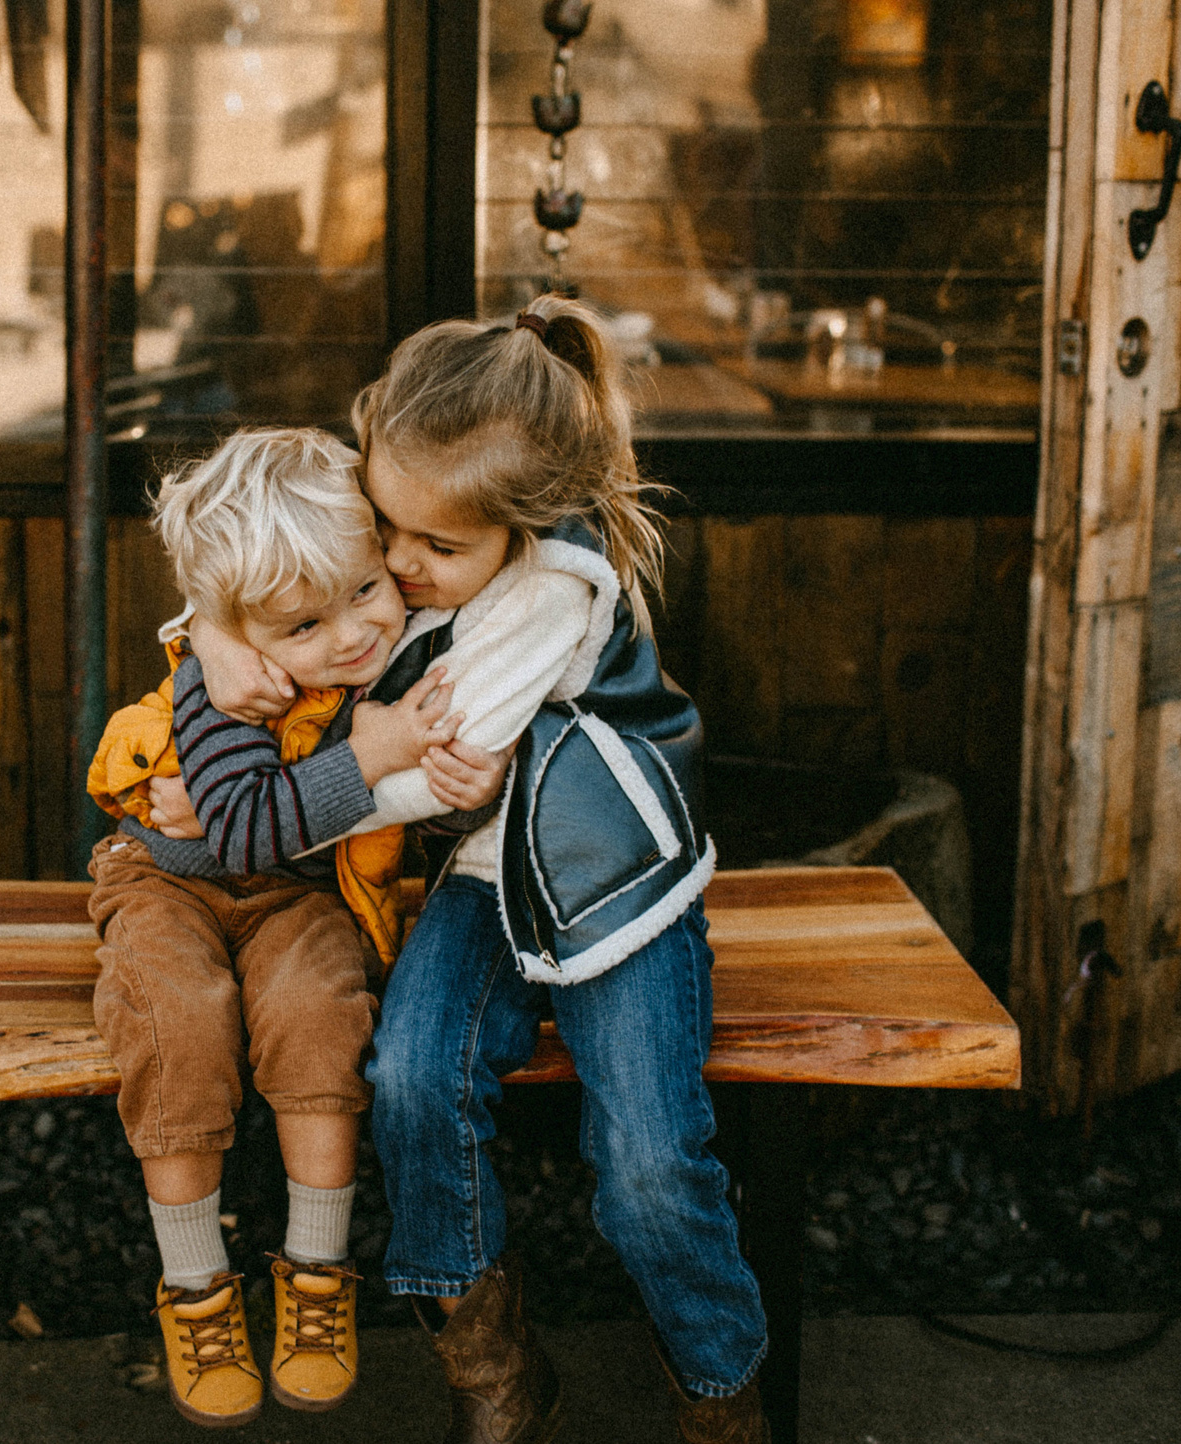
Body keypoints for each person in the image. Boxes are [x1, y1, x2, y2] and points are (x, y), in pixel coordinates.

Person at [187, 297, 770, 1444]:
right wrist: (212, 630)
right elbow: (279, 565)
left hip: (611, 888)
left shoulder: (551, 588)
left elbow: (417, 775)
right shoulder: (419, 505)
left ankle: (720, 1395)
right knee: (409, 1077)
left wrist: (265, 812)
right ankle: (494, 1371)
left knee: (646, 1159)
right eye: (385, 531)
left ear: (523, 520)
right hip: (482, 877)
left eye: (432, 551)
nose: (393, 569)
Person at [84, 427, 510, 1428]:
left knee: (321, 1009)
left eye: (365, 589)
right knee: (176, 1016)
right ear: (244, 629)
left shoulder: (400, 653)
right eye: (306, 622)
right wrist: (372, 754)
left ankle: (318, 1273)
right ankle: (196, 1286)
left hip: (301, 899)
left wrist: (451, 786)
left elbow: (433, 798)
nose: (353, 634)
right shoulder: (225, 678)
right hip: (168, 884)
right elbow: (233, 827)